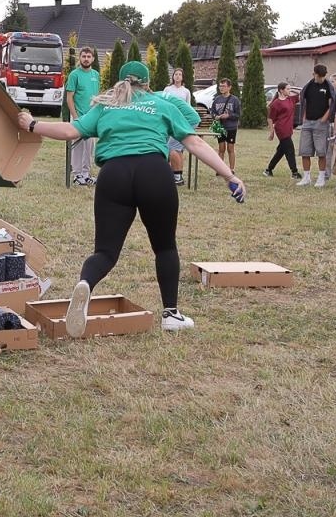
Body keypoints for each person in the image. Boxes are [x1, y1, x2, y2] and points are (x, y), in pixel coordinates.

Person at [20, 60, 246, 336]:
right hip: (154, 173)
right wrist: (229, 176)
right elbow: (194, 142)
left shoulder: (106, 106)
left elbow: (70, 131)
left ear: (119, 81)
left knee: (105, 252)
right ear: (148, 83)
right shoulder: (162, 104)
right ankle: (171, 314)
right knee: (164, 247)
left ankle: (86, 285)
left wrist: (31, 124)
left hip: (113, 175)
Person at [297, 63, 336, 186]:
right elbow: (304, 101)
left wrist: (324, 118)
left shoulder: (328, 87)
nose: (320, 78)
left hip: (321, 124)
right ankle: (306, 177)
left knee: (321, 152)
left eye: (322, 76)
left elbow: (332, 104)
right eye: (318, 76)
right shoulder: (308, 87)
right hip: (307, 123)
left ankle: (321, 177)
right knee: (305, 151)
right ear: (313, 74)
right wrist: (304, 118)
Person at [65, 47, 101, 186]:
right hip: (78, 117)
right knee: (78, 145)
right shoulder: (74, 75)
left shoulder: (96, 75)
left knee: (89, 146)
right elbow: (69, 98)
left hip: (91, 117)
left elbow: (96, 96)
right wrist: (75, 116)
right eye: (84, 56)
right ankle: (77, 174)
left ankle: (86, 174)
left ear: (93, 58)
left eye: (89, 56)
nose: (86, 59)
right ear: (80, 58)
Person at [161, 67, 193, 185]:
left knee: (177, 148)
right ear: (173, 76)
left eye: (180, 74)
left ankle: (178, 174)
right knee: (170, 147)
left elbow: (188, 107)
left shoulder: (186, 91)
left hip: (181, 122)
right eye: (176, 74)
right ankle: (173, 173)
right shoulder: (168, 89)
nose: (178, 76)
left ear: (183, 77)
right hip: (169, 120)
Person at [208, 77, 242, 173]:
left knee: (230, 148)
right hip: (220, 127)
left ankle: (231, 169)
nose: (221, 88)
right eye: (220, 86)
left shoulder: (234, 100)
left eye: (224, 86)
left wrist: (228, 115)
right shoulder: (217, 99)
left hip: (231, 127)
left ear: (229, 87)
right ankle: (220, 169)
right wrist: (216, 116)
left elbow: (238, 115)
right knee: (221, 148)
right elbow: (212, 111)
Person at [265, 81, 298, 179]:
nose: (289, 91)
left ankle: (268, 170)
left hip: (289, 128)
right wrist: (272, 132)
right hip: (281, 129)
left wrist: (292, 90)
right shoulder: (276, 103)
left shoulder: (291, 99)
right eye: (287, 89)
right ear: (281, 90)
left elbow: (301, 94)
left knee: (281, 151)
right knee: (290, 150)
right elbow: (270, 118)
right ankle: (295, 172)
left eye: (290, 89)